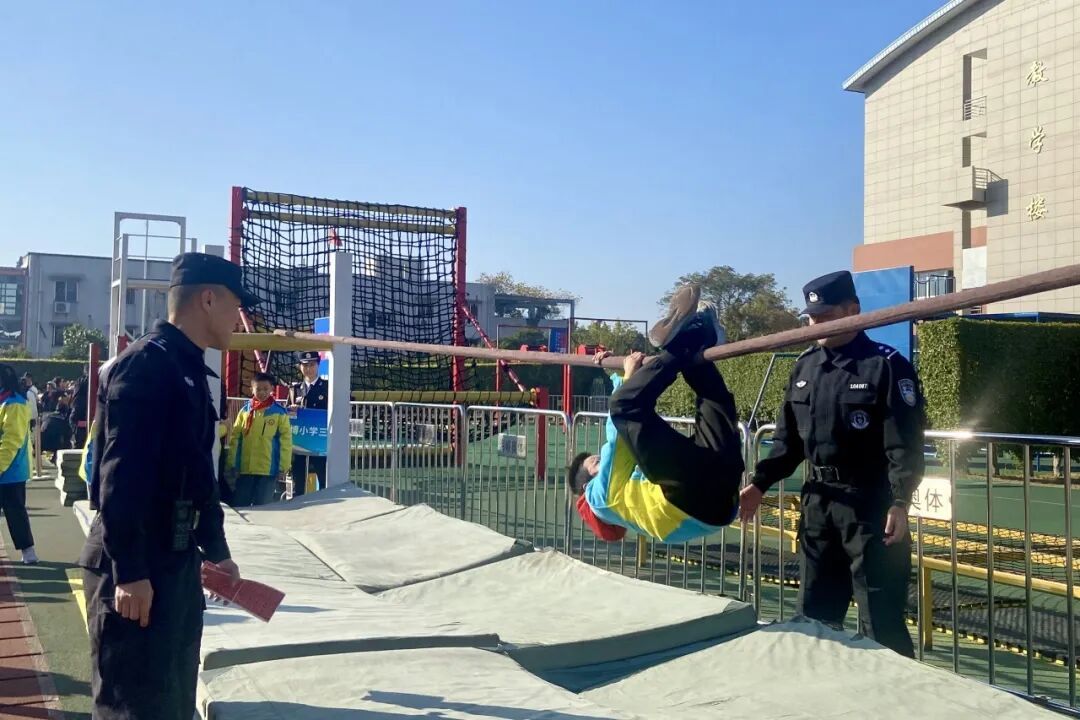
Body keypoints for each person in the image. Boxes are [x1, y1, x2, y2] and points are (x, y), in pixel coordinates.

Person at [79, 252, 259, 720]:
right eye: (236, 304)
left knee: (173, 702)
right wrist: (130, 571)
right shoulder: (146, 366)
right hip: (140, 563)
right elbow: (121, 476)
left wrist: (217, 551)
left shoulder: (188, 369)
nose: (241, 318)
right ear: (207, 299)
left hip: (175, 561)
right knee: (133, 706)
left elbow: (198, 474)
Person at [739, 270, 925, 658]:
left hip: (870, 507)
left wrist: (900, 502)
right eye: (812, 318)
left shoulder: (885, 365)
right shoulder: (805, 367)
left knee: (881, 619)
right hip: (818, 505)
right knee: (815, 618)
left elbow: (904, 444)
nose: (816, 324)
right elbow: (787, 443)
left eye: (825, 316)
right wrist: (759, 484)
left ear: (852, 310)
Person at [567, 285, 744, 543]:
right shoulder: (597, 499)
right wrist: (627, 378)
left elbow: (639, 444)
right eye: (595, 462)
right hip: (689, 500)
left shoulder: (626, 503)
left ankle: (703, 333)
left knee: (713, 401)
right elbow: (617, 442)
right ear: (586, 484)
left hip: (720, 501)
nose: (602, 459)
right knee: (624, 406)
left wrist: (618, 373)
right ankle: (684, 339)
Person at [226, 371, 293, 507]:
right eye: (258, 389)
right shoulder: (245, 411)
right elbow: (236, 438)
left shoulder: (279, 413)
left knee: (263, 507)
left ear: (272, 389)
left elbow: (285, 442)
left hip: (268, 470)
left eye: (265, 389)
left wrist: (283, 466)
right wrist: (232, 463)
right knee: (240, 505)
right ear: (252, 389)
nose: (262, 392)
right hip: (246, 469)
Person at [0, 364, 37, 565]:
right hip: (9, 468)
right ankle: (28, 551)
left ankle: (28, 551)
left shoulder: (13, 403)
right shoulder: (5, 400)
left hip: (11, 470)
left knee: (15, 512)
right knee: (16, 512)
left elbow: (11, 440)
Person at [289, 350, 328, 496]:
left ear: (318, 365)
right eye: (305, 365)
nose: (308, 369)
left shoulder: (327, 387)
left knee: (324, 479)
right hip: (301, 441)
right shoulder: (295, 389)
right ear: (300, 367)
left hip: (320, 442)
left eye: (312, 365)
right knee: (298, 480)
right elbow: (288, 414)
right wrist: (292, 410)